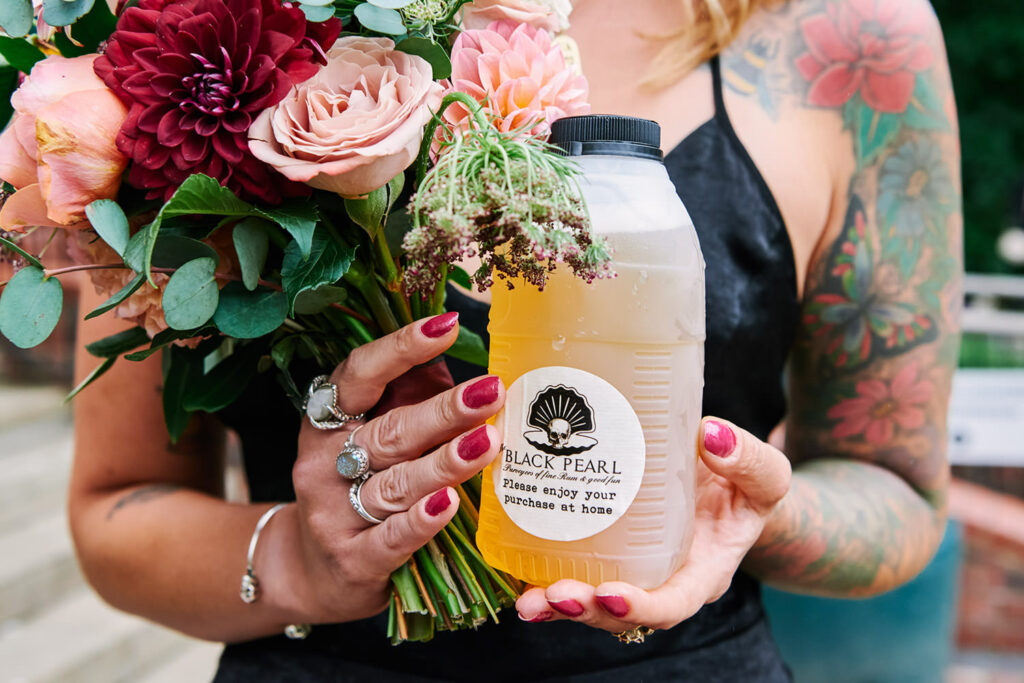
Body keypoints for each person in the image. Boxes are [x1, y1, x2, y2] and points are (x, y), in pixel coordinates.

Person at [69, 0, 962, 680]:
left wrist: (744, 510)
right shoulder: (198, 38)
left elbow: (900, 494)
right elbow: (116, 505)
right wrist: (298, 561)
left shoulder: (848, 37)